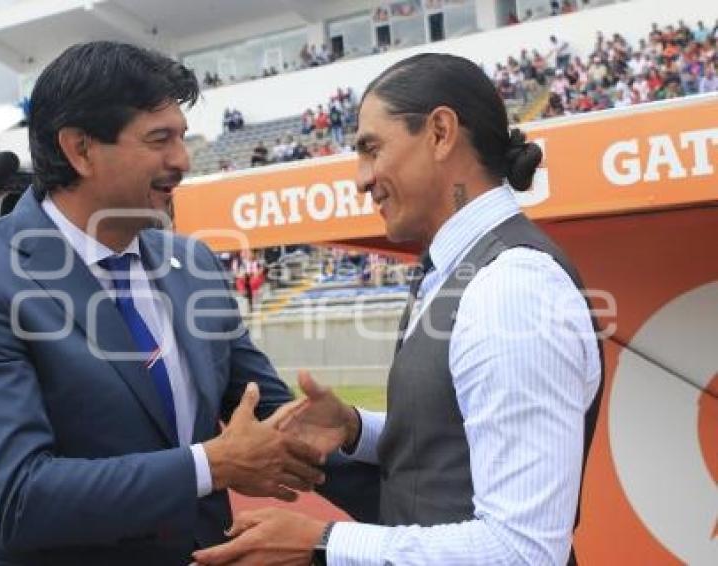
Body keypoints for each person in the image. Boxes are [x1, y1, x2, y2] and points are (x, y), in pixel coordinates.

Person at [0, 41, 328, 565]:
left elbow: (274, 422)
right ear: (79, 150)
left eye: (181, 137)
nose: (181, 160)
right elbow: (17, 498)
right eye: (159, 139)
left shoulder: (194, 263)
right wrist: (210, 465)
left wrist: (360, 440)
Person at [194, 52, 604, 566]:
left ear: (439, 132)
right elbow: (460, 438)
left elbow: (523, 551)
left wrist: (321, 542)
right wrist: (353, 429)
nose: (361, 179)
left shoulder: (511, 287)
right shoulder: (456, 269)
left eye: (371, 149)